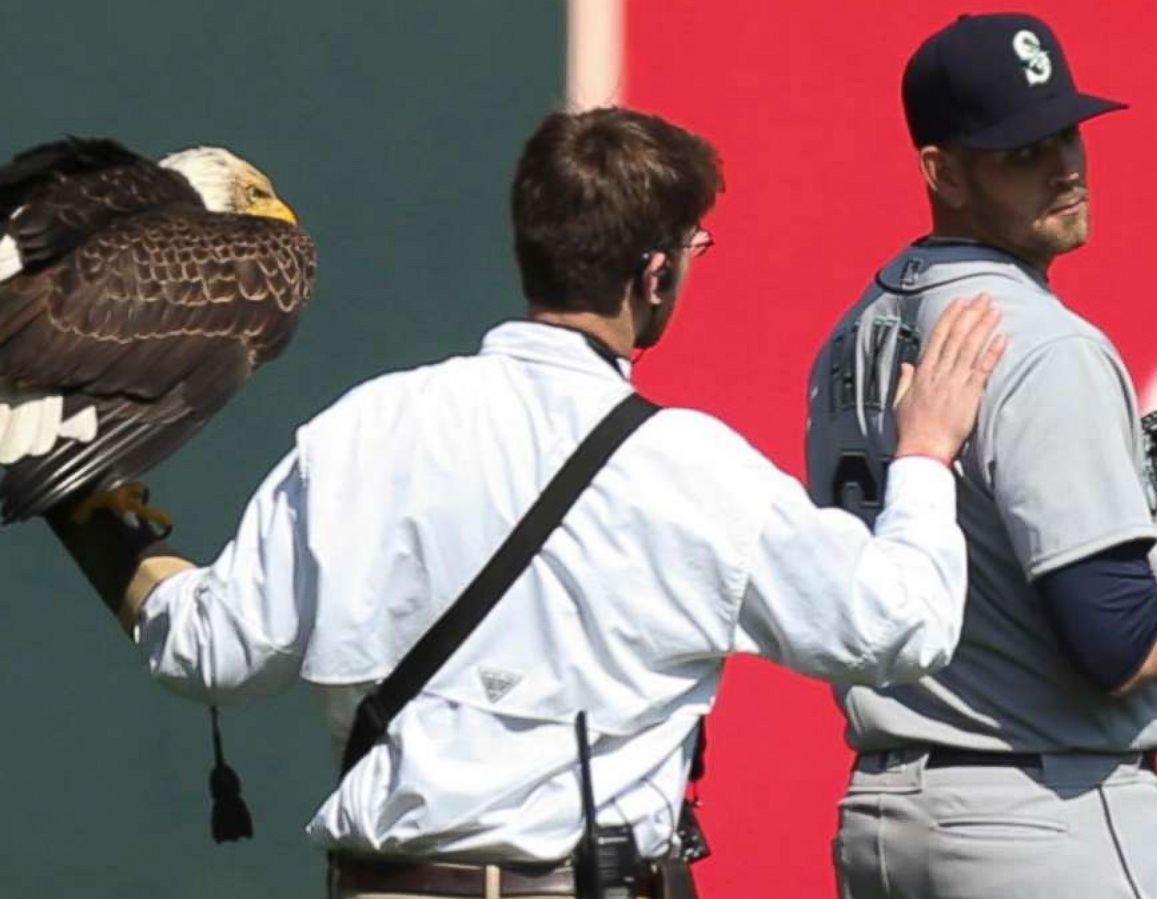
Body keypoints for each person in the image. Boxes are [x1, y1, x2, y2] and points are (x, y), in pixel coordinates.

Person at [50, 106, 1004, 899]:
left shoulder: (363, 428)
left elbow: (207, 648)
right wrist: (923, 454)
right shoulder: (691, 467)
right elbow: (898, 624)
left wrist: (78, 499)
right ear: (654, 274)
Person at [804, 13, 1157, 899]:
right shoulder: (1044, 344)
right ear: (942, 171)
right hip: (1042, 815)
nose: (1064, 166)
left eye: (1067, 132)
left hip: (886, 821)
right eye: (1020, 150)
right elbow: (1116, 641)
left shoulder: (852, 335)